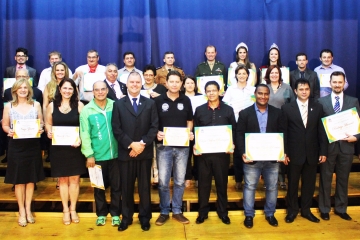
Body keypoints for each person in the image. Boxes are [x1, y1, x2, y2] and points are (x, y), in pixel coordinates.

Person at [112, 72, 158, 231]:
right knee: (127, 188)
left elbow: (154, 127)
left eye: (137, 82)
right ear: (127, 83)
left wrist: (141, 144)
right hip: (126, 153)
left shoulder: (150, 103)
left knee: (144, 188)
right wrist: (131, 145)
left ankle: (145, 218)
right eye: (131, 82)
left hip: (144, 153)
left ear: (142, 83)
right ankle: (126, 217)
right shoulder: (118, 104)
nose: (134, 84)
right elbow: (116, 129)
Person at [236, 84, 283, 228]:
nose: (263, 96)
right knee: (250, 186)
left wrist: (281, 152)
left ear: (269, 95)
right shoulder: (245, 113)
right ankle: (249, 215)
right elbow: (239, 134)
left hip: (272, 158)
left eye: (266, 94)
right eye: (260, 93)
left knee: (272, 187)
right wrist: (243, 152)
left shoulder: (277, 112)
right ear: (255, 94)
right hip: (252, 158)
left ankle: (270, 214)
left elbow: (283, 134)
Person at [282, 78, 328, 223]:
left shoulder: (318, 107)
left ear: (310, 90)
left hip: (312, 153)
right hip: (293, 154)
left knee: (309, 184)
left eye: (306, 89)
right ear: (295, 91)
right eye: (301, 89)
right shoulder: (287, 108)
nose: (304, 92)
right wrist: (284, 152)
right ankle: (292, 211)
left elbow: (322, 132)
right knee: (293, 184)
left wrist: (323, 152)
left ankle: (306, 211)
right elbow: (284, 132)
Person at [318, 71, 360, 221]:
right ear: (330, 83)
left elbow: (358, 124)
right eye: (334, 82)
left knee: (343, 178)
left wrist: (356, 137)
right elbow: (318, 128)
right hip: (328, 148)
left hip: (347, 148)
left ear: (344, 83)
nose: (337, 85)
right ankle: (324, 208)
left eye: (340, 82)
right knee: (325, 178)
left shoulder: (353, 101)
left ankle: (341, 208)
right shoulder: (321, 102)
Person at [2, 78, 44, 226]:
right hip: (16, 147)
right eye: (20, 88)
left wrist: (41, 128)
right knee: (19, 181)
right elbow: (5, 125)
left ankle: (28, 210)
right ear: (15, 90)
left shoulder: (36, 104)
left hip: (32, 146)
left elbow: (42, 122)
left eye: (26, 88)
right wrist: (10, 131)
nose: (23, 90)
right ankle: (21, 211)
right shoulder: (9, 106)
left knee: (31, 179)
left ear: (29, 90)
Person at [193, 81, 236, 225]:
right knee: (203, 184)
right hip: (203, 155)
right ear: (205, 93)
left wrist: (232, 144)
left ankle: (223, 212)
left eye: (214, 90)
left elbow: (233, 131)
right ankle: (202, 212)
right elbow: (195, 130)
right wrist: (195, 146)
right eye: (208, 90)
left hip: (222, 155)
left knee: (221, 183)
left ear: (219, 91)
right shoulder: (199, 110)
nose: (211, 93)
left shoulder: (228, 110)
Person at [154, 71, 193, 226]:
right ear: (167, 83)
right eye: (172, 81)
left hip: (182, 147)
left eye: (178, 82)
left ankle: (177, 210)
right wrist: (157, 132)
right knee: (163, 181)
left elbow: (190, 120)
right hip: (164, 146)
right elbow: (154, 121)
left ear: (181, 84)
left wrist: (189, 132)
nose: (175, 84)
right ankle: (164, 211)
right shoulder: (158, 101)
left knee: (179, 180)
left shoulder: (186, 100)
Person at [80, 81, 121, 227]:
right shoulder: (87, 110)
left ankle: (116, 213)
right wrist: (89, 154)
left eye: (103, 89)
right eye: (97, 90)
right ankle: (102, 214)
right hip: (96, 156)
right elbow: (84, 133)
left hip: (116, 155)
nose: (100, 92)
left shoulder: (115, 105)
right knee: (98, 188)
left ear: (107, 90)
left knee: (117, 187)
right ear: (93, 92)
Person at [45, 78, 86, 225]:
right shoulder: (51, 105)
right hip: (58, 148)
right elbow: (48, 123)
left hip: (75, 148)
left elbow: (85, 126)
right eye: (65, 88)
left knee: (74, 179)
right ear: (60, 89)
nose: (67, 91)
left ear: (74, 90)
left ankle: (73, 209)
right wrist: (49, 132)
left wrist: (80, 138)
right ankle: (65, 210)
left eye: (71, 88)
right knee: (62, 179)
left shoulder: (80, 105)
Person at [223, 65, 256, 190]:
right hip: (236, 123)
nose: (242, 76)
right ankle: (238, 179)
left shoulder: (253, 90)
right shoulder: (230, 90)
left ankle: (250, 179)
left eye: (244, 73)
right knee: (238, 152)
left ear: (248, 75)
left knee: (250, 150)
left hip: (250, 123)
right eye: (239, 73)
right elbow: (225, 105)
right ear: (235, 75)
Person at [264, 65, 295, 189]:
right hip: (267, 123)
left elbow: (293, 105)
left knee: (281, 151)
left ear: (280, 74)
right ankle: (268, 181)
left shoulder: (287, 87)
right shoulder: (264, 87)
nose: (274, 75)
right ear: (268, 75)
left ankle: (282, 178)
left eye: (276, 73)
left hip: (283, 123)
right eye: (272, 73)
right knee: (268, 152)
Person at [182, 75, 202, 187]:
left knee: (198, 154)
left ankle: (198, 177)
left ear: (195, 85)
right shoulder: (181, 97)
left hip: (199, 128)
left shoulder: (201, 97)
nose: (190, 85)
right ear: (183, 85)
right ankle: (187, 177)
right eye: (188, 83)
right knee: (186, 154)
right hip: (184, 129)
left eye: (192, 83)